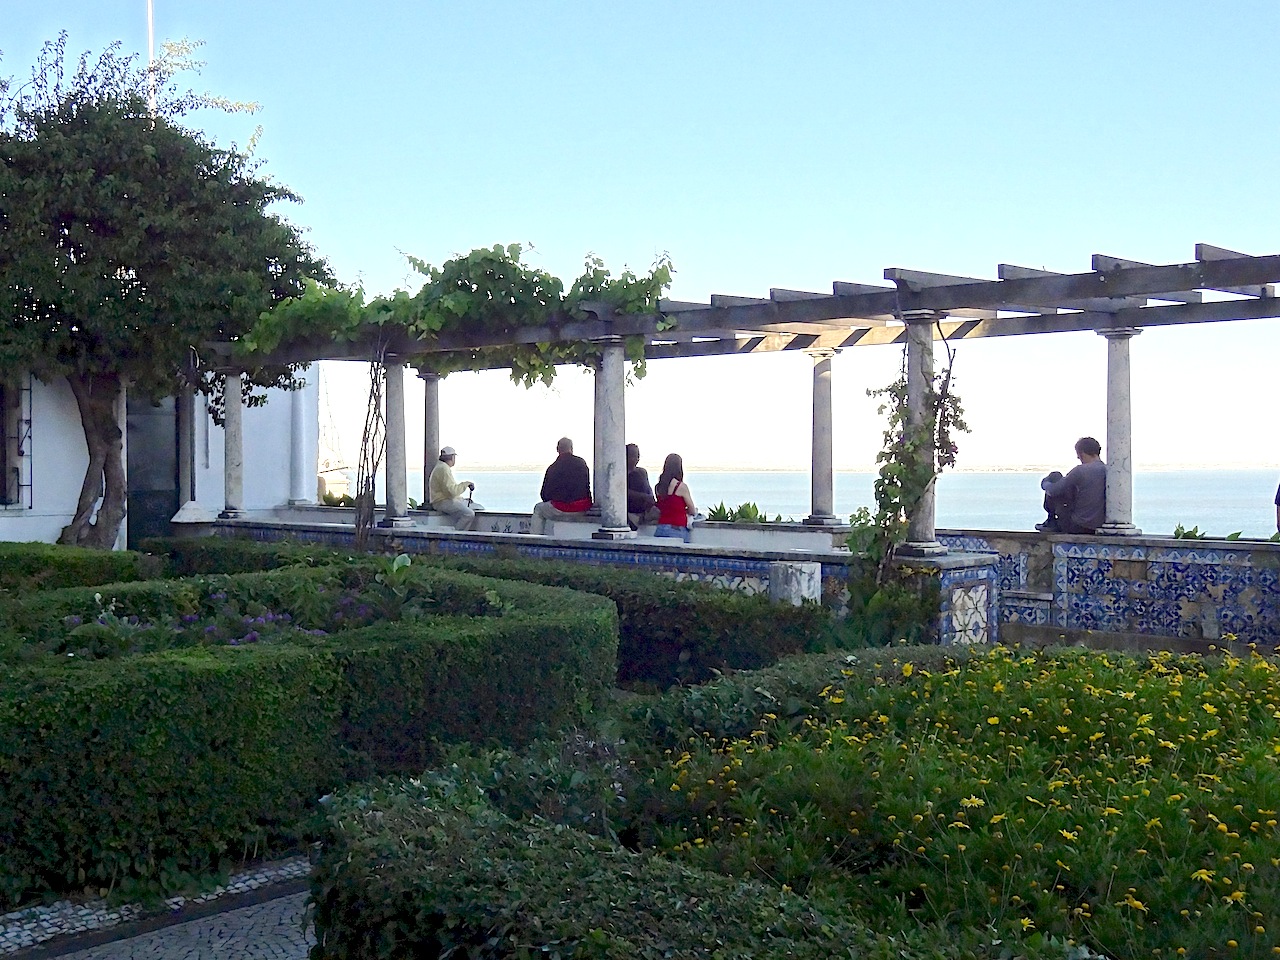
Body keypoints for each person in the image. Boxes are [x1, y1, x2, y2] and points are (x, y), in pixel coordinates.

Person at [1039, 437, 1106, 534]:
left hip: (1078, 525)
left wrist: (1045, 483)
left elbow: (1054, 490)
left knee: (1055, 476)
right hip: (1098, 525)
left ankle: (1051, 521)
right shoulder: (1107, 470)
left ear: (1081, 453)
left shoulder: (1080, 471)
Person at [530, 437, 592, 535]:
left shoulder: (553, 468)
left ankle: (534, 539)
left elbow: (544, 494)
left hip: (562, 508)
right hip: (583, 507)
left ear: (557, 449)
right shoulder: (581, 463)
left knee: (538, 509)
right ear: (571, 448)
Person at [428, 446, 478, 530]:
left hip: (440, 501)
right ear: (451, 458)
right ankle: (456, 534)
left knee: (472, 506)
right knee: (469, 514)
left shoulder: (440, 467)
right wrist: (466, 484)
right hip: (442, 502)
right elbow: (451, 491)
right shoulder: (444, 469)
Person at [653, 453, 696, 542]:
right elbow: (692, 510)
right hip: (676, 529)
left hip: (660, 528)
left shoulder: (658, 487)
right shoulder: (681, 486)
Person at [626, 443, 659, 530]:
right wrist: (643, 496)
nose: (636, 459)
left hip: (645, 510)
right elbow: (622, 491)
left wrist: (651, 498)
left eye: (638, 456)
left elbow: (648, 488)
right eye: (633, 456)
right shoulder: (621, 474)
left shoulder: (642, 472)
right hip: (630, 513)